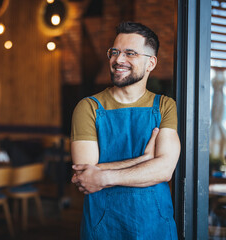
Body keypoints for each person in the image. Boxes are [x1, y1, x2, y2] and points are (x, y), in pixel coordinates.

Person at [70, 22, 180, 239]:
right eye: (115, 52)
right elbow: (85, 174)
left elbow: (164, 170)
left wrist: (103, 177)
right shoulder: (88, 107)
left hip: (155, 225)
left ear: (151, 63)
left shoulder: (165, 106)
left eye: (130, 53)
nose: (118, 60)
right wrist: (145, 159)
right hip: (104, 226)